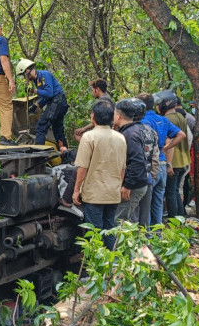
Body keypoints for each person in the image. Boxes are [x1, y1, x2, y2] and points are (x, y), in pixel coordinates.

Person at [71, 99, 126, 249]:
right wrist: (118, 186)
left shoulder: (89, 137)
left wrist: (76, 190)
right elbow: (123, 168)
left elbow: (82, 167)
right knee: (109, 228)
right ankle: (113, 264)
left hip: (94, 193)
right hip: (112, 193)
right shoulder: (120, 137)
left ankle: (97, 266)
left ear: (93, 116)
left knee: (94, 232)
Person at [138, 93, 185, 225]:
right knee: (158, 201)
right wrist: (166, 147)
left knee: (146, 202)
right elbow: (181, 134)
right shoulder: (163, 120)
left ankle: (146, 234)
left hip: (150, 165)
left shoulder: (143, 121)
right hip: (163, 164)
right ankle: (157, 232)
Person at [15, 59, 69, 148]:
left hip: (57, 101)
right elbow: (46, 97)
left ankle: (39, 155)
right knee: (58, 131)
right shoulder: (37, 80)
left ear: (27, 71)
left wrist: (33, 90)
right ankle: (66, 156)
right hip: (58, 102)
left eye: (24, 76)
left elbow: (49, 93)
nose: (25, 79)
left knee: (41, 126)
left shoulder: (43, 75)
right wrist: (36, 105)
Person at [114, 99, 151, 223]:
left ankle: (129, 243)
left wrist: (127, 185)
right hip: (136, 182)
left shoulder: (130, 134)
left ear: (118, 116)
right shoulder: (130, 130)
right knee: (128, 219)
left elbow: (137, 161)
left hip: (134, 185)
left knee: (120, 221)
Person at [161, 95, 191, 218]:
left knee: (170, 192)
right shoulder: (180, 116)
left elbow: (170, 142)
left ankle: (174, 219)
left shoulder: (167, 119)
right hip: (183, 159)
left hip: (173, 161)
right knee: (175, 191)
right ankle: (181, 216)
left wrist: (166, 151)